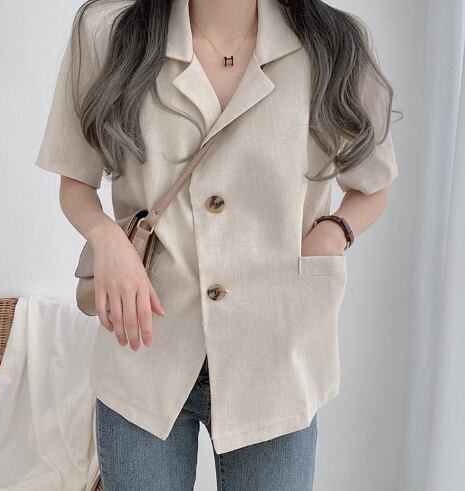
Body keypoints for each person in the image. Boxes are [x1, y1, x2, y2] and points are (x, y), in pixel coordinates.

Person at [34, 0, 399, 489]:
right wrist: (107, 239)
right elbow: (74, 180)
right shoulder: (109, 32)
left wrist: (332, 234)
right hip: (144, 347)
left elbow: (372, 183)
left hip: (277, 352)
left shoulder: (335, 42)